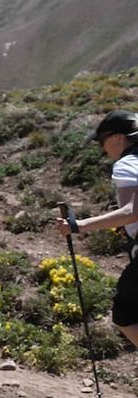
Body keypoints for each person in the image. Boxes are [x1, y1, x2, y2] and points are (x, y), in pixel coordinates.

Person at [54, 110, 138, 347]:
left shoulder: (127, 164)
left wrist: (78, 225)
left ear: (117, 138)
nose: (103, 149)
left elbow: (132, 210)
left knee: (126, 314)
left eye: (102, 141)